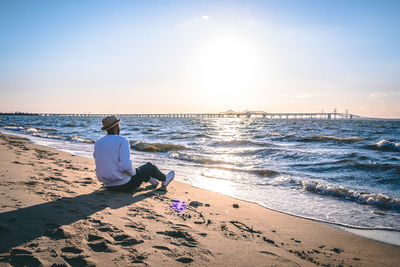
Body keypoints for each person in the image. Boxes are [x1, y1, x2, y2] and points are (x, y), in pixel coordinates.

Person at [93, 115, 174, 192]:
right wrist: (134, 173)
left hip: (108, 185)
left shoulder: (98, 143)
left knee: (136, 170)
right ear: (117, 126)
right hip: (125, 185)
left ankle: (153, 181)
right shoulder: (122, 140)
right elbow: (125, 166)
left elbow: (103, 161)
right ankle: (165, 179)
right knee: (149, 167)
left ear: (106, 129)